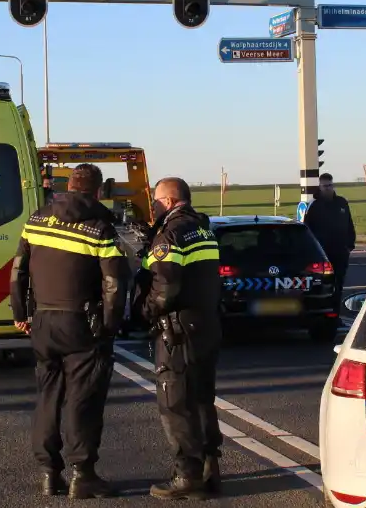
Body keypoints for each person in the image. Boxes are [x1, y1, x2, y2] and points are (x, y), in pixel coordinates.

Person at [9, 163, 130, 499]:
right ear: (98, 191)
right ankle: (83, 474)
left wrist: (20, 313)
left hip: (43, 322)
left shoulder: (36, 219)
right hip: (81, 324)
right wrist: (109, 326)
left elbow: (18, 270)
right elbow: (114, 282)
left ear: (69, 186)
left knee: (48, 397)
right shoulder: (99, 228)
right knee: (82, 400)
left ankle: (49, 473)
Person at [135, 177, 223, 499]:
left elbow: (165, 287)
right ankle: (210, 470)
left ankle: (187, 476)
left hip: (178, 331)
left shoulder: (170, 234)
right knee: (202, 399)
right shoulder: (203, 229)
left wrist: (143, 311)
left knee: (175, 403)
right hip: (206, 326)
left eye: (156, 200)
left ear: (169, 201)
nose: (154, 206)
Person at [302, 173, 356, 317]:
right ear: (320, 187)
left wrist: (350, 245)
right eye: (325, 186)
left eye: (330, 185)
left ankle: (335, 315)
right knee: (324, 286)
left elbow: (349, 224)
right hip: (323, 254)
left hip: (341, 252)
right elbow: (307, 229)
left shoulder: (341, 203)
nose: (328, 188)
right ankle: (323, 315)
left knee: (338, 285)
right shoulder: (314, 206)